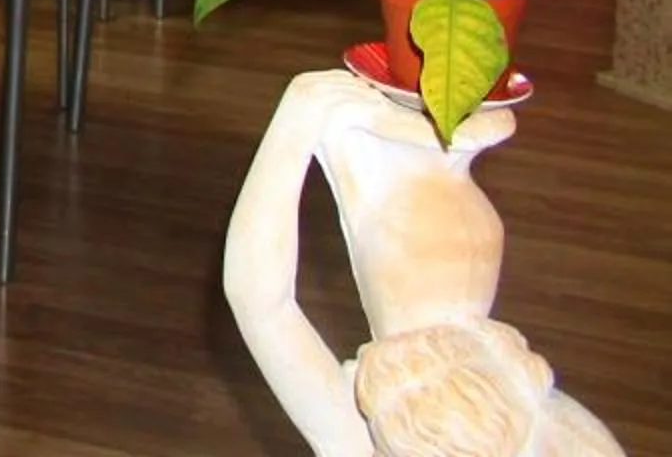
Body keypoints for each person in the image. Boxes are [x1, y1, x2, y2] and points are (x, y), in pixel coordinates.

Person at [224, 70, 619, 457]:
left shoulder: (365, 440)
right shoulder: (555, 427)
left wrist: (295, 122)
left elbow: (261, 303)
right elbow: (262, 305)